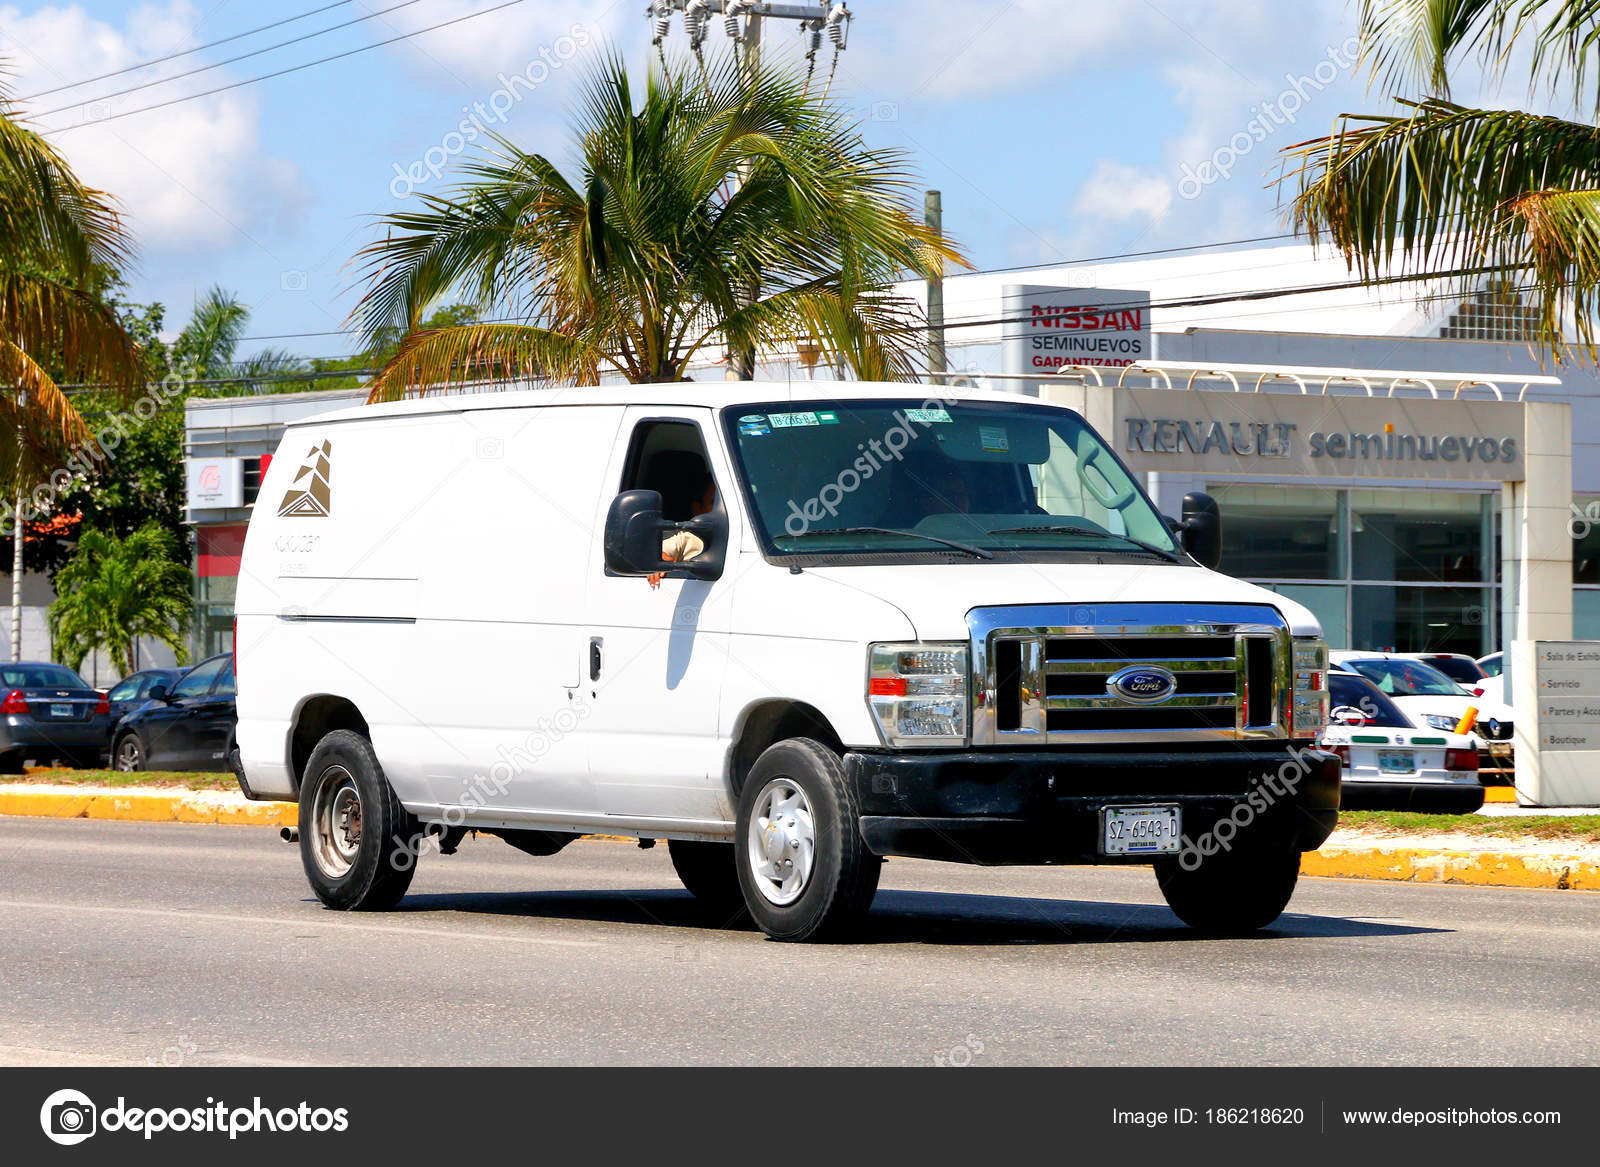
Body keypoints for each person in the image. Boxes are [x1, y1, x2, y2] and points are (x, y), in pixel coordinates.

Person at [648, 475, 715, 589]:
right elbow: (659, 554)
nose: (725, 512)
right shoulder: (688, 538)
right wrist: (657, 561)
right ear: (697, 509)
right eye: (714, 503)